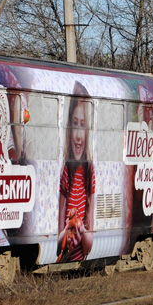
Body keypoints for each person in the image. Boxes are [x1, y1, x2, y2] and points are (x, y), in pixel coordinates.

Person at [58, 83, 94, 262]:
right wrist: (67, 232)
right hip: (66, 259)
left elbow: (89, 247)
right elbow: (57, 244)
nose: (79, 136)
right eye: (75, 124)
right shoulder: (66, 172)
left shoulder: (90, 172)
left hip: (81, 258)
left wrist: (82, 230)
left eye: (83, 125)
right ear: (69, 128)